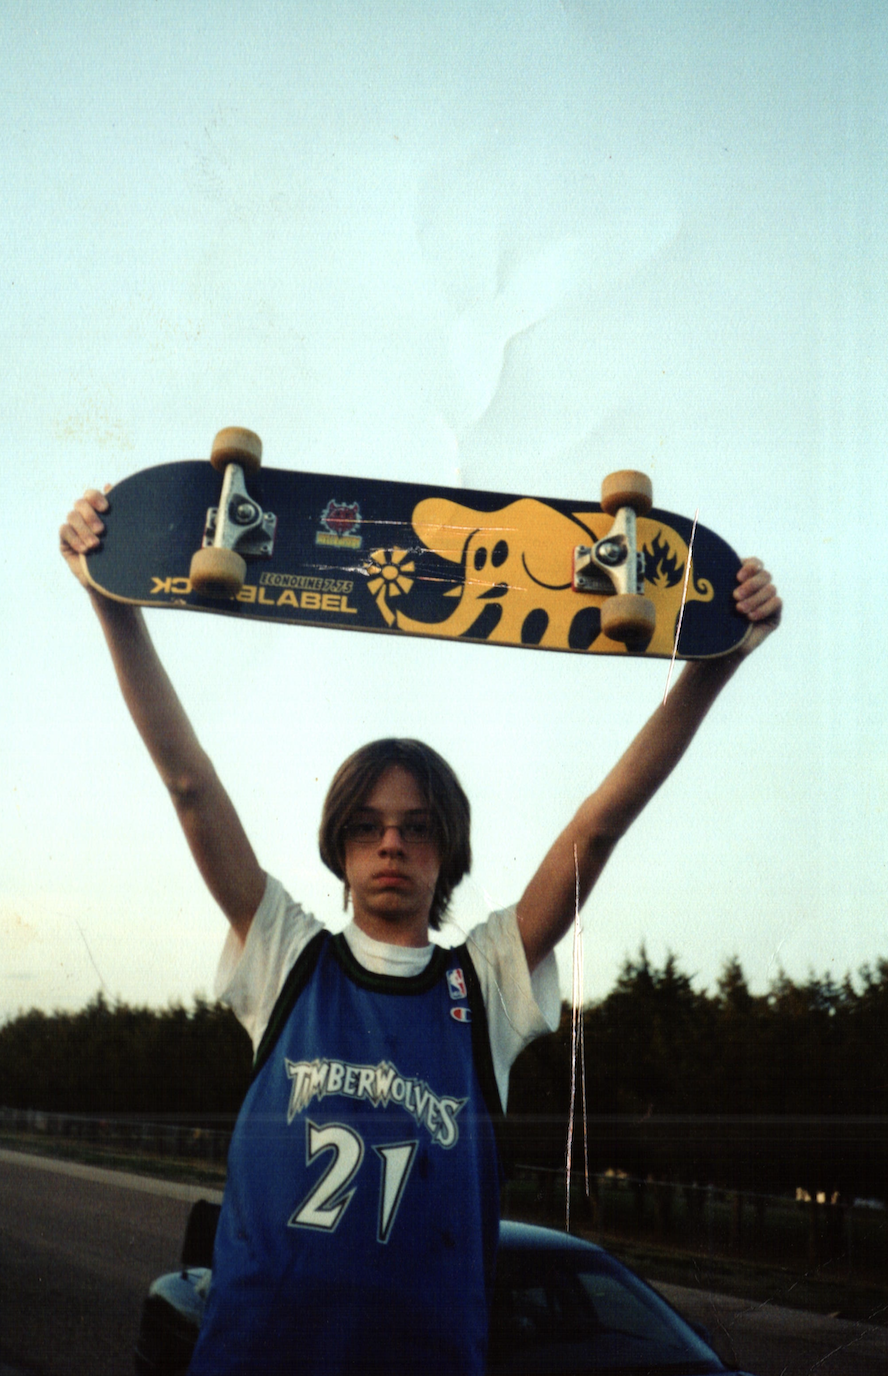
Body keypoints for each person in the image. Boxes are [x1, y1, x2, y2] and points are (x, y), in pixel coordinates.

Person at [60, 488, 781, 1375]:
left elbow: (596, 829)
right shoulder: (287, 957)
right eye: (367, 826)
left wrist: (717, 663)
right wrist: (111, 600)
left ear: (450, 849)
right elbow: (189, 785)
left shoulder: (487, 982)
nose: (391, 843)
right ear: (340, 845)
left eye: (416, 826)